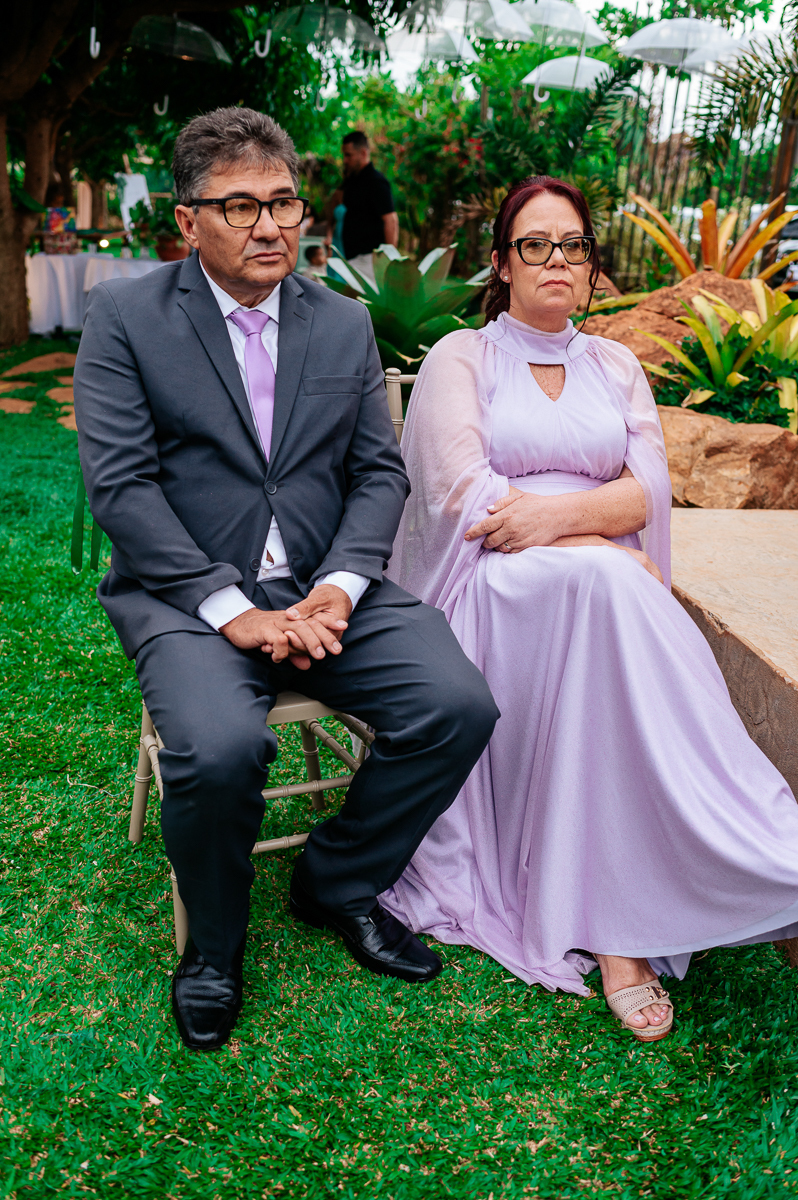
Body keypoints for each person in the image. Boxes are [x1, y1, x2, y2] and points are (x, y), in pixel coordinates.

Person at [73, 107, 498, 1053]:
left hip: (322, 585)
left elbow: (377, 473)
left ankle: (336, 882)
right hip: (187, 598)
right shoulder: (126, 319)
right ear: (188, 221)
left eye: (284, 202)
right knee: (223, 749)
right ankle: (213, 949)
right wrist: (233, 612)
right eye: (241, 206)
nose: (270, 226)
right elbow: (122, 489)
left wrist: (340, 587)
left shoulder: (341, 322)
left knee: (457, 705)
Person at [384, 175, 798, 1042]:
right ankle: (624, 931)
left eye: (572, 245)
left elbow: (646, 494)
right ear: (502, 263)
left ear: (592, 265)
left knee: (611, 591)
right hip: (493, 586)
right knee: (613, 584)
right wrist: (587, 539)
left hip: (598, 587)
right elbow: (463, 498)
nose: (556, 261)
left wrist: (562, 525)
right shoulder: (462, 358)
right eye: (534, 245)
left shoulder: (615, 366)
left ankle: (747, 860)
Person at [338, 131, 398, 285]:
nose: (345, 160)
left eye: (349, 155)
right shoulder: (352, 180)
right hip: (354, 257)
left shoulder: (376, 181)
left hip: (371, 259)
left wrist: (389, 258)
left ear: (363, 153)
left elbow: (391, 220)